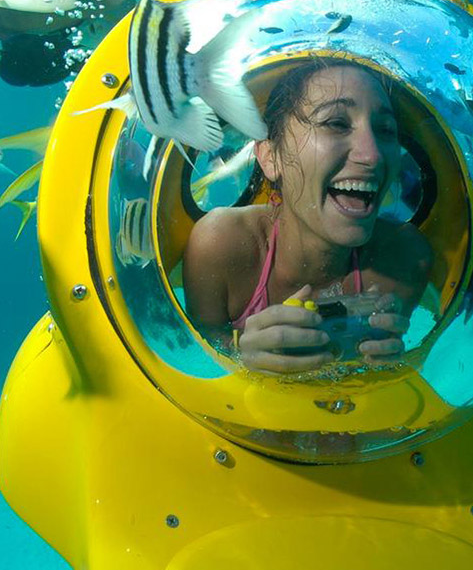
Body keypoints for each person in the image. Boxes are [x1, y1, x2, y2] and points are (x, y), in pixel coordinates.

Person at [182, 58, 434, 373]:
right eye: (336, 123)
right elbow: (198, 349)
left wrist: (382, 367)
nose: (373, 155)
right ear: (270, 156)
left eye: (386, 130)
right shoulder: (221, 245)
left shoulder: (405, 260)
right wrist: (238, 352)